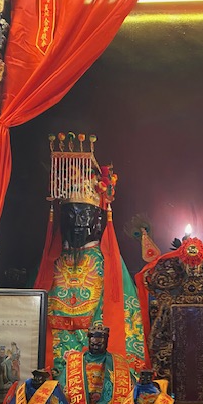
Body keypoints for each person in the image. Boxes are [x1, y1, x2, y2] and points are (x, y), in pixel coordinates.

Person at [34, 133, 145, 377]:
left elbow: (126, 320)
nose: (78, 222)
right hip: (55, 362)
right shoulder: (51, 263)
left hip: (96, 365)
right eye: (71, 214)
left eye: (85, 214)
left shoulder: (107, 264)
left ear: (98, 219)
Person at [59, 323, 135, 404]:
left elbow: (130, 387)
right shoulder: (75, 361)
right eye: (93, 344)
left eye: (99, 344)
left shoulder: (118, 362)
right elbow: (62, 386)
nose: (95, 347)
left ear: (106, 342)